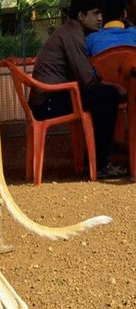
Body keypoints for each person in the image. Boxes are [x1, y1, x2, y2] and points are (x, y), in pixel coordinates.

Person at [29, 0, 125, 179]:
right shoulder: (72, 34)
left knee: (102, 97)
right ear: (81, 15)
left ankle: (101, 153)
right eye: (96, 13)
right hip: (48, 103)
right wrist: (115, 87)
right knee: (108, 96)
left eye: (101, 14)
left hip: (53, 97)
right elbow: (88, 80)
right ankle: (100, 163)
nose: (100, 18)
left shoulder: (72, 31)